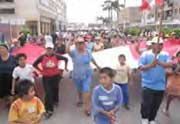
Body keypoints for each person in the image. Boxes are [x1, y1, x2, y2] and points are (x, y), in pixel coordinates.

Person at [138, 38, 172, 124]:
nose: (159, 46)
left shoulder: (165, 54)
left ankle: (152, 119)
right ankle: (144, 118)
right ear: (152, 45)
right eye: (157, 44)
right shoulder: (145, 54)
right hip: (147, 84)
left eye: (161, 44)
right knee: (146, 104)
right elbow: (140, 67)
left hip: (160, 85)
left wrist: (159, 63)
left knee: (156, 105)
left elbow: (170, 64)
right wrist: (150, 65)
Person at [33, 42, 68, 119]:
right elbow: (34, 64)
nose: (49, 50)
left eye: (50, 49)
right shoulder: (42, 57)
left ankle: (56, 100)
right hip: (46, 78)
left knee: (55, 89)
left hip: (56, 76)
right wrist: (40, 70)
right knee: (48, 93)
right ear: (46, 49)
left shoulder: (56, 56)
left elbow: (66, 59)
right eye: (47, 49)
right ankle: (49, 110)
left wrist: (65, 68)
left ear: (53, 49)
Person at [66, 36, 100, 116]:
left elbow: (92, 59)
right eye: (78, 43)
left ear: (84, 44)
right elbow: (67, 51)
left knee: (86, 90)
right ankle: (80, 98)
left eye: (81, 42)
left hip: (87, 74)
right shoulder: (74, 52)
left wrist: (98, 66)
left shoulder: (88, 52)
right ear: (76, 44)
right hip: (77, 75)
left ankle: (87, 108)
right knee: (79, 89)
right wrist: (69, 42)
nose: (80, 44)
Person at [163, 51, 180, 116]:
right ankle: (166, 109)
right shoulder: (173, 64)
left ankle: (166, 109)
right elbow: (167, 72)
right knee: (170, 97)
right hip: (173, 84)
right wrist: (175, 72)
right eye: (179, 56)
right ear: (177, 57)